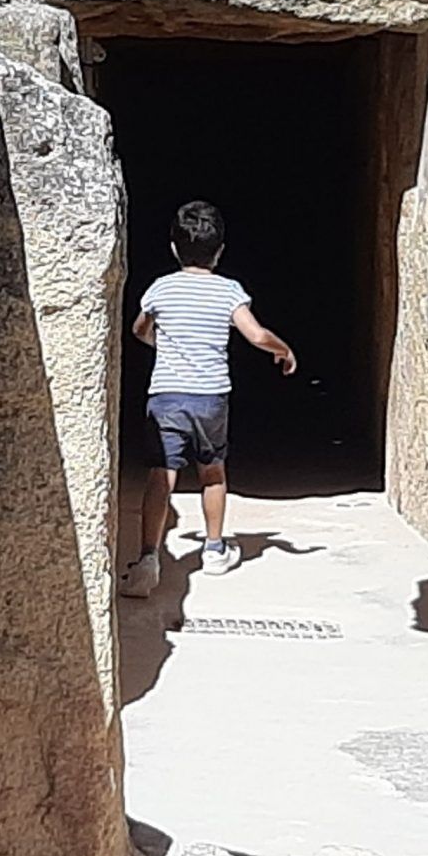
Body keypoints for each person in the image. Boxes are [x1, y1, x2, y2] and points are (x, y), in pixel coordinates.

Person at [119, 199, 296, 596]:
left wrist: (156, 340)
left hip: (165, 395)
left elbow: (140, 328)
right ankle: (214, 551)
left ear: (173, 247)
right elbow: (256, 335)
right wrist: (283, 349)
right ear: (220, 249)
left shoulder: (161, 287)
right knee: (212, 471)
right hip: (211, 396)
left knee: (160, 476)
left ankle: (148, 558)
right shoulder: (229, 290)